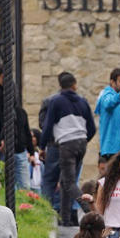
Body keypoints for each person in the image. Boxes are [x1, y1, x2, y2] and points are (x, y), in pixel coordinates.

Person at [38, 72, 97, 227]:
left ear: (60, 85)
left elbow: (48, 125)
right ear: (74, 84)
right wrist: (83, 139)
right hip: (81, 143)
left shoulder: (56, 101)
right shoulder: (83, 102)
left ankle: (90, 212)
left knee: (69, 183)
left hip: (65, 144)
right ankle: (65, 219)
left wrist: (42, 146)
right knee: (66, 182)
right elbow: (91, 127)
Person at [95, 67, 120, 166]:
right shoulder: (107, 94)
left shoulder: (117, 97)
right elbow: (109, 104)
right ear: (112, 82)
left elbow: (115, 121)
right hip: (112, 149)